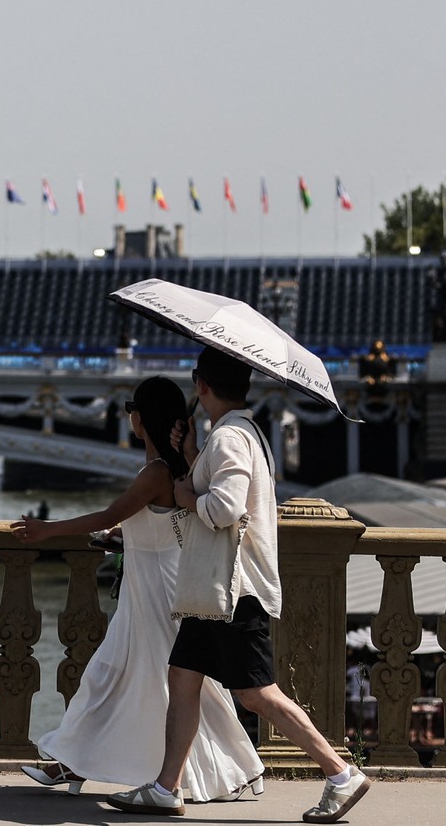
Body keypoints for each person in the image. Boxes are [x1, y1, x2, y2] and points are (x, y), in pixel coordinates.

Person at [107, 348, 370, 823]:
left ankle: (339, 772)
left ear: (202, 385)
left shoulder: (230, 438)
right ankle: (168, 786)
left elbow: (224, 509)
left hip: (231, 590)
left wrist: (186, 494)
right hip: (215, 591)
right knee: (182, 677)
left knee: (257, 693)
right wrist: (191, 457)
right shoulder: (237, 434)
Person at [11, 375, 264, 803]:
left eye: (132, 411)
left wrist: (45, 531)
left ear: (140, 419)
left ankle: (231, 769)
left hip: (156, 591)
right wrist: (121, 536)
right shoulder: (174, 468)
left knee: (147, 680)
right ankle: (72, 762)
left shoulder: (155, 472)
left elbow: (110, 513)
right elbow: (149, 524)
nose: (129, 417)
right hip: (154, 581)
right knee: (126, 677)